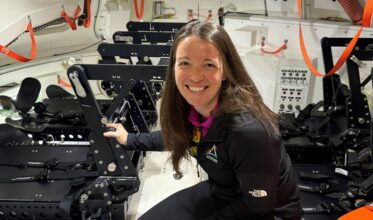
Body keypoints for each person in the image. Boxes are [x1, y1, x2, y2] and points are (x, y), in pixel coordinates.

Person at [103, 20, 301, 220]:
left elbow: (257, 205)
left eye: (208, 65)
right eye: (185, 63)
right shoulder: (195, 109)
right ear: (174, 68)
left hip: (268, 212)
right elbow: (179, 136)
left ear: (225, 71)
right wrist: (130, 138)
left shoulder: (248, 132)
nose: (195, 76)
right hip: (224, 191)